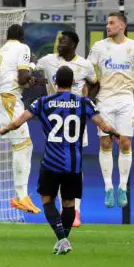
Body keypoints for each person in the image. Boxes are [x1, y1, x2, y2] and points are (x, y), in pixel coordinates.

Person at [0, 66, 118, 254]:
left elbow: (19, 121)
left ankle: (62, 239)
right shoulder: (84, 103)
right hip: (74, 162)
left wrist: (5, 129)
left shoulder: (43, 101)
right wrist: (114, 132)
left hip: (51, 161)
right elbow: (103, 125)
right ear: (73, 83)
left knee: (47, 199)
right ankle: (64, 240)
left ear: (55, 82)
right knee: (69, 203)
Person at [34, 31, 98, 226]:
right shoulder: (48, 60)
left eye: (64, 41)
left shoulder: (85, 65)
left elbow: (95, 84)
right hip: (54, 118)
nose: (60, 44)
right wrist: (32, 77)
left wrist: (87, 103)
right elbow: (31, 68)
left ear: (74, 45)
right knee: (57, 162)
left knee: (74, 161)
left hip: (74, 120)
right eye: (59, 40)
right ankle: (63, 207)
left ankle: (74, 209)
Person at [87, 12, 134, 208]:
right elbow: (88, 70)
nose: (108, 26)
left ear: (122, 25)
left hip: (126, 100)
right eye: (107, 23)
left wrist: (126, 84)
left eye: (111, 23)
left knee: (125, 143)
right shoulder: (99, 46)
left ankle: (122, 187)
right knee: (105, 141)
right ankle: (107, 188)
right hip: (104, 100)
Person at [0, 24, 41, 214]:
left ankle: (22, 195)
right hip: (8, 99)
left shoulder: (2, 50)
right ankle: (21, 196)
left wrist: (27, 79)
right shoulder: (23, 48)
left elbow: (17, 79)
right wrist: (32, 66)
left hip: (5, 98)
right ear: (22, 36)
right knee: (23, 146)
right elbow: (22, 78)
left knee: (23, 145)